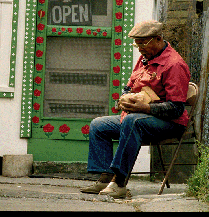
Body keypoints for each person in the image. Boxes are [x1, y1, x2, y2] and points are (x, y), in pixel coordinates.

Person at [80, 20, 190, 199]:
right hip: (141, 116)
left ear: (158, 39)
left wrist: (145, 107)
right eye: (136, 43)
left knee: (133, 122)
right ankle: (105, 177)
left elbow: (176, 108)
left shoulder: (174, 64)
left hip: (170, 123)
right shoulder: (145, 57)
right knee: (99, 125)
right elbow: (130, 85)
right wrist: (125, 98)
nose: (139, 49)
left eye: (143, 43)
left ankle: (119, 182)